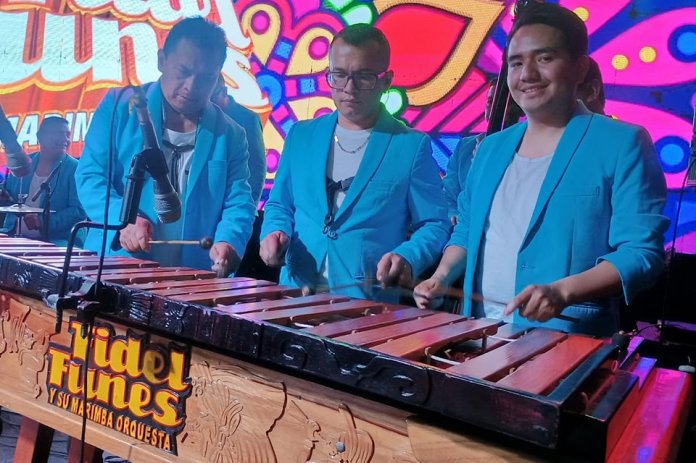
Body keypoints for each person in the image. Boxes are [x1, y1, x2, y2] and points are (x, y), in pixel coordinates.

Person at [414, 3, 669, 336]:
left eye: (544, 58)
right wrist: (441, 276)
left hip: (566, 341)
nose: (527, 75)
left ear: (580, 69)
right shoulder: (490, 148)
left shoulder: (623, 142)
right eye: (516, 63)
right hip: (479, 333)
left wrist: (563, 292)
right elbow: (467, 229)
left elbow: (641, 253)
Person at [259, 24, 449, 300]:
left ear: (386, 80)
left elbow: (434, 223)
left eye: (364, 77)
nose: (349, 88)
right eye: (339, 75)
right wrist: (275, 231)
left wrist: (407, 256)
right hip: (294, 293)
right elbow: (279, 204)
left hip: (366, 303)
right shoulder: (301, 136)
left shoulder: (410, 146)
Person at [75, 17, 256, 275]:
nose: (191, 87)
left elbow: (238, 201)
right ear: (162, 61)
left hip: (193, 274)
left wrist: (229, 240)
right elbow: (90, 178)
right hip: (118, 266)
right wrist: (124, 219)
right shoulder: (118, 107)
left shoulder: (231, 135)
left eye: (206, 78)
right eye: (183, 72)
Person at [443, 77, 523, 224]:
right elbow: (447, 196)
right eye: (490, 102)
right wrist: (453, 214)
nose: (495, 109)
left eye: (506, 103)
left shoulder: (528, 146)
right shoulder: (464, 147)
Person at [0, 117, 86, 245]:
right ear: (40, 137)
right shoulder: (24, 163)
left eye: (67, 134)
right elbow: (8, 194)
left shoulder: (76, 169)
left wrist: (42, 221)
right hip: (13, 235)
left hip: (58, 241)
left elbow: (78, 211)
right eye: (58, 133)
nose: (65, 139)